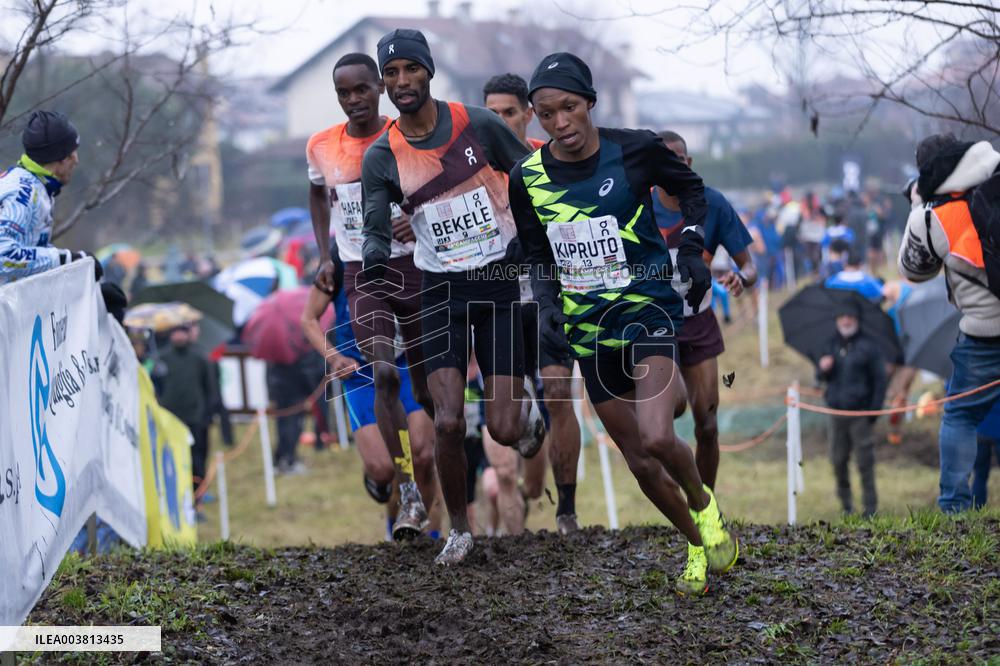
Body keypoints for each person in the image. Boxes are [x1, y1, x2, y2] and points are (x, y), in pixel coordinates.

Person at [510, 52, 737, 596]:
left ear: (589, 102)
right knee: (638, 461)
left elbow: (694, 189)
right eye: (546, 113)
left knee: (659, 436)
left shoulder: (633, 148)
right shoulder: (528, 178)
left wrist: (691, 245)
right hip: (588, 330)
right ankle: (697, 545)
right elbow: (537, 255)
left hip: (647, 309)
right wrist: (548, 309)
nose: (560, 122)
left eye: (569, 107)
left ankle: (704, 505)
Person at [361, 29, 545, 565]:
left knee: (503, 428)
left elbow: (530, 176)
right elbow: (376, 224)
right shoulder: (382, 155)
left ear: (428, 71)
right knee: (446, 419)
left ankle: (525, 415)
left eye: (410, 70)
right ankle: (461, 530)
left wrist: (529, 243)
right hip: (438, 287)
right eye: (391, 74)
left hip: (496, 281)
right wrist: (374, 252)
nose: (401, 82)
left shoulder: (476, 123)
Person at [306, 52, 435, 538]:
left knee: (422, 383)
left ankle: (432, 471)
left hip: (415, 267)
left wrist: (414, 217)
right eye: (344, 93)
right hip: (362, 271)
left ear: (380, 87)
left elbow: (437, 190)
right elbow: (317, 193)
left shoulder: (407, 137)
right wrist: (325, 254)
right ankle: (408, 494)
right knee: (380, 371)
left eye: (362, 89)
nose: (354, 100)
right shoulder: (321, 145)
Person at [484, 72, 582, 533]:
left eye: (508, 112)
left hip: (548, 296)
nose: (500, 121)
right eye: (492, 114)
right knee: (508, 417)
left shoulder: (552, 158)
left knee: (559, 396)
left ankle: (565, 507)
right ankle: (520, 491)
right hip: (497, 300)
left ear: (527, 114)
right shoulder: (470, 166)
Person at [301, 245, 441, 538]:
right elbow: (308, 319)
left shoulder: (410, 243)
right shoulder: (339, 258)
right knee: (384, 469)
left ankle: (427, 535)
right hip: (361, 374)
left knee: (422, 456)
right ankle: (396, 529)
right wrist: (335, 358)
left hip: (407, 364)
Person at [898, 133, 1000, 513]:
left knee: (960, 414)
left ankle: (954, 506)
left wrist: (917, 207)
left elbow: (913, 269)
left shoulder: (936, 216)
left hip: (985, 333)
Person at [651, 130, 758, 490]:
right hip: (653, 325)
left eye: (678, 160)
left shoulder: (713, 204)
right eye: (662, 162)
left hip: (698, 321)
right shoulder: (636, 205)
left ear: (689, 163)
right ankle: (675, 495)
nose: (671, 168)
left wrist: (742, 277)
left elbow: (750, 265)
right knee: (666, 418)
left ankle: (705, 507)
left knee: (707, 425)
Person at [0, 110, 101, 285]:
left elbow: (32, 258)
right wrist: (67, 259)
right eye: (72, 153)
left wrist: (83, 282)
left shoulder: (37, 186)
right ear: (60, 158)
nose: (76, 160)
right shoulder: (22, 193)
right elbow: (3, 257)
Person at [816, 301, 887, 516]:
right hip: (836, 413)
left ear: (857, 320)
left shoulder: (869, 347)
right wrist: (823, 370)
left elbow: (880, 381)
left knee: (865, 462)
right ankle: (846, 506)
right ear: (837, 320)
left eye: (850, 317)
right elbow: (820, 378)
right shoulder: (830, 345)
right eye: (842, 317)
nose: (846, 321)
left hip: (861, 414)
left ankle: (870, 509)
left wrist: (873, 412)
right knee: (838, 460)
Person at [158, 322, 214, 507]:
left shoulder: (200, 356)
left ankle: (198, 497)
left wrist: (207, 415)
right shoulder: (162, 359)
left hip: (196, 418)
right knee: (171, 459)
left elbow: (210, 388)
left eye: (183, 332)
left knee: (197, 458)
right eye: (175, 332)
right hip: (170, 420)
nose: (179, 336)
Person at [972, 401, 1000, 509]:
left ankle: (976, 510)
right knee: (979, 474)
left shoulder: (979, 383)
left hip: (980, 430)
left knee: (979, 475)